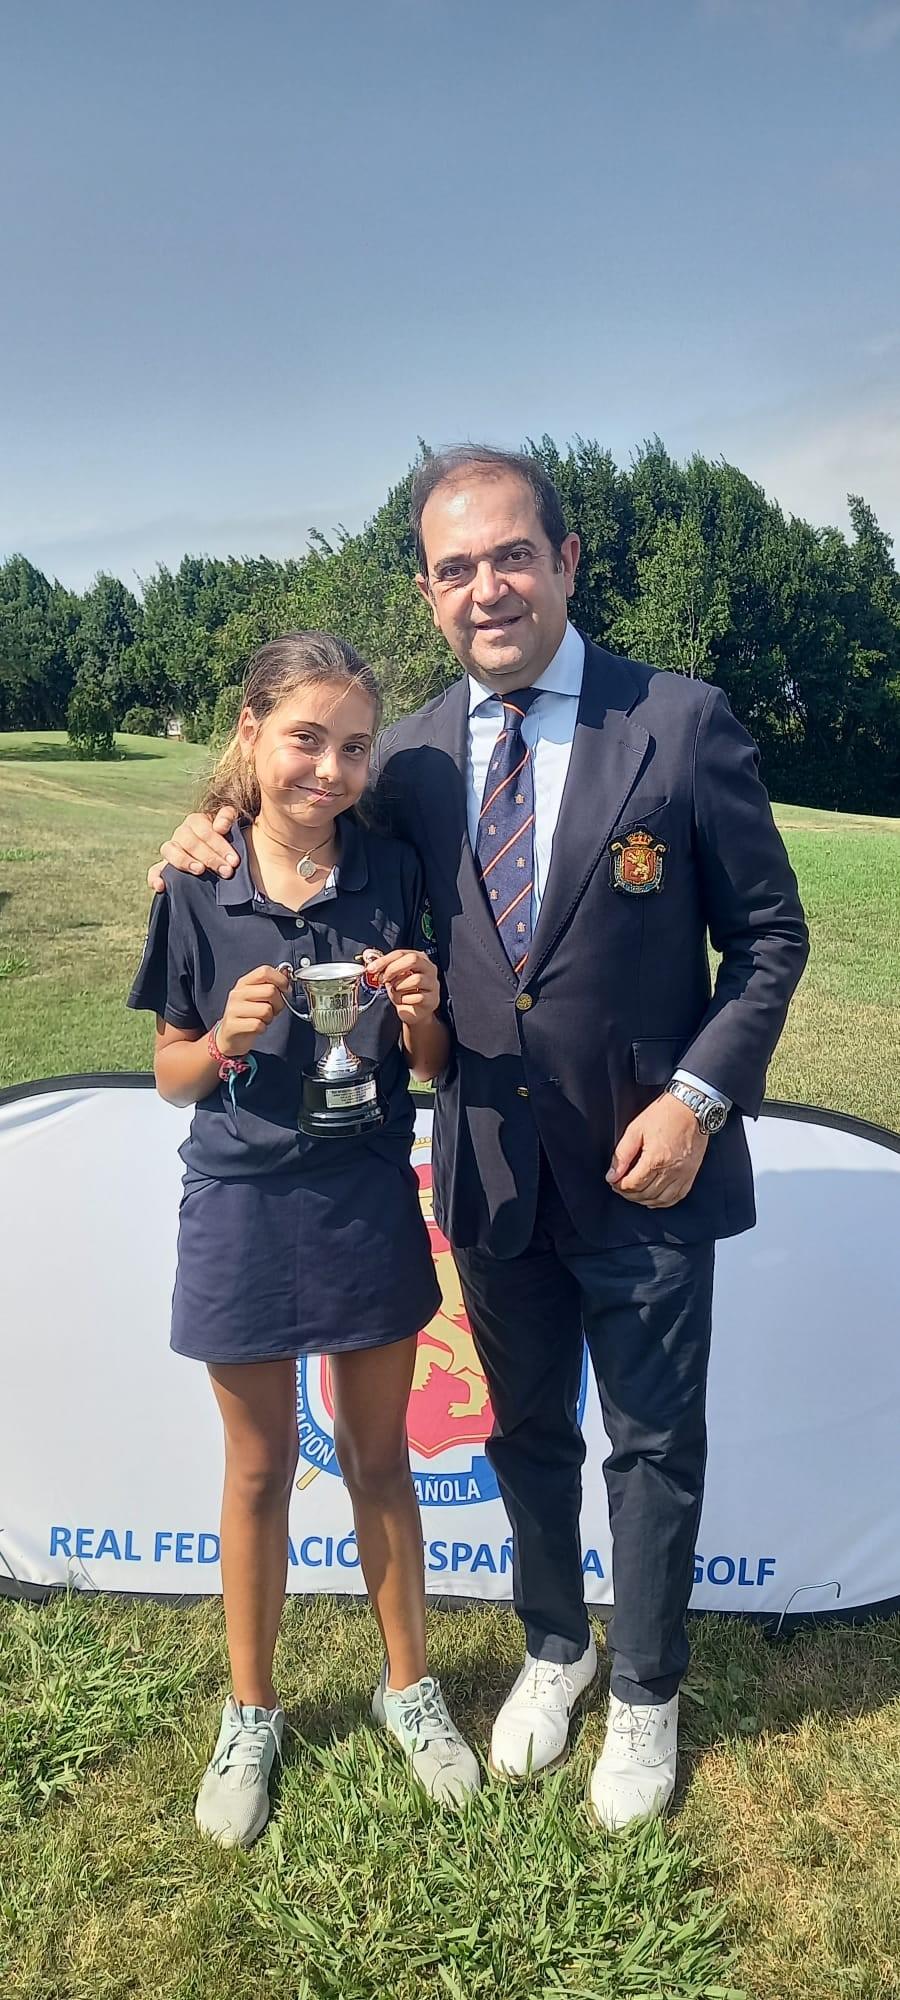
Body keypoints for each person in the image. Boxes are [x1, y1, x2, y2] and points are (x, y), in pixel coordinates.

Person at [150, 448, 809, 1831]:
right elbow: (294, 813)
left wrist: (699, 1104)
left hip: (648, 1166)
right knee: (523, 1437)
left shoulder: (679, 724)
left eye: (512, 555)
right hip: (489, 1169)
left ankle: (646, 1694)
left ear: (568, 561)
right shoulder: (412, 760)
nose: (487, 587)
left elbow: (767, 942)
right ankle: (555, 1651)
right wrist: (202, 830)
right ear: (429, 593)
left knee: (651, 1445)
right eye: (456, 568)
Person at [129, 630, 480, 1848]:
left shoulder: (390, 871)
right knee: (261, 1469)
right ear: (250, 735)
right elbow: (172, 1073)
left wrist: (427, 1015)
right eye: (304, 739)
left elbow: (428, 1069)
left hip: (365, 1197)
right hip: (237, 1199)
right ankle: (253, 1709)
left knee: (382, 1460)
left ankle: (411, 1689)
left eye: (351, 745)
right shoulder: (194, 880)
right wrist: (224, 1034)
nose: (327, 767)